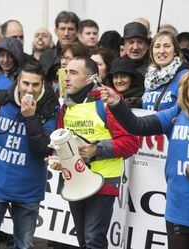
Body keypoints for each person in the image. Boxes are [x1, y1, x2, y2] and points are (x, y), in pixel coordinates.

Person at [100, 67, 189, 249]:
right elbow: (137, 126)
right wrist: (116, 104)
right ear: (185, 93)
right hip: (178, 208)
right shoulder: (175, 115)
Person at [48, 56, 139, 249]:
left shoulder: (108, 101)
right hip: (75, 181)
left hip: (103, 181)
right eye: (66, 72)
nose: (66, 78)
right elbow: (62, 143)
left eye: (73, 73)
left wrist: (96, 150)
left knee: (93, 240)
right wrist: (59, 160)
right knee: (83, 240)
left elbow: (132, 143)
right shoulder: (66, 105)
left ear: (90, 78)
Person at [0, 61, 58, 249]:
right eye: (26, 83)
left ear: (43, 84)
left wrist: (31, 118)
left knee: (24, 245)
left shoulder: (50, 108)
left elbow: (43, 150)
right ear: (18, 81)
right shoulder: (0, 98)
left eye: (35, 84)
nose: (30, 89)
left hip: (28, 190)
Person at [142, 30, 189, 111]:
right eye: (157, 46)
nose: (161, 51)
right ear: (152, 51)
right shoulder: (149, 77)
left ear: (175, 51)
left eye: (167, 46)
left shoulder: (185, 75)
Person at [39, 11, 80, 76]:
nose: (66, 33)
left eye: (70, 29)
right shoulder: (46, 57)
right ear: (56, 31)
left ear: (77, 31)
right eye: (63, 29)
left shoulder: (86, 55)